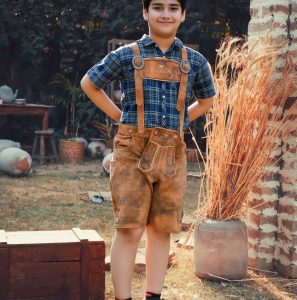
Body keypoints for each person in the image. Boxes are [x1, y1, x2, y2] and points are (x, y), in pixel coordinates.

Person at [81, 0, 215, 299]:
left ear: (183, 14)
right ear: (145, 13)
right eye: (157, 7)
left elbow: (207, 100)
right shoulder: (128, 55)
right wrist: (119, 116)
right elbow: (89, 83)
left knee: (161, 228)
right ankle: (123, 297)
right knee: (129, 228)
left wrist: (183, 120)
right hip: (132, 150)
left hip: (172, 153)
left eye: (172, 8)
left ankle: (154, 295)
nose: (165, 13)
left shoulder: (194, 61)